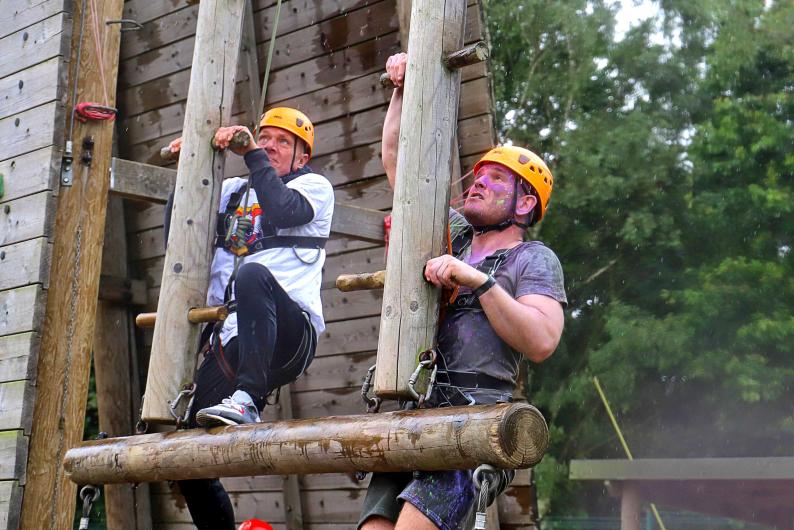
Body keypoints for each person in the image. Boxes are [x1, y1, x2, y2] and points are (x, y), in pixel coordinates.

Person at [358, 53, 567, 530]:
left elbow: (541, 340)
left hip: (470, 423)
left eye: (497, 180)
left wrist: (480, 281)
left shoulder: (531, 260)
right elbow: (397, 160)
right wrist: (402, 89)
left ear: (525, 202)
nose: (479, 182)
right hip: (413, 415)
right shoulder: (450, 233)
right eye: (479, 174)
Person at [165, 107, 334, 530]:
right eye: (266, 138)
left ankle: (247, 399)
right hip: (235, 338)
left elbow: (281, 211)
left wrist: (252, 153)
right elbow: (179, 231)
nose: (271, 147)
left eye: (282, 141)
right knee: (185, 457)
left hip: (290, 333)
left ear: (302, 155)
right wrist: (191, 170)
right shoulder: (233, 190)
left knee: (253, 273)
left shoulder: (315, 186)